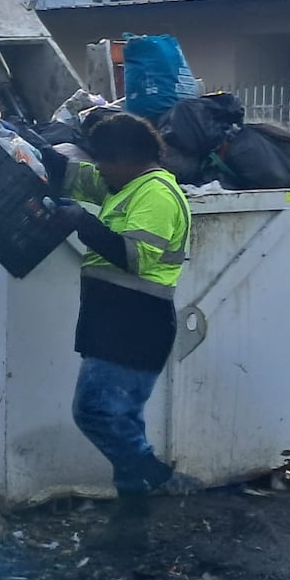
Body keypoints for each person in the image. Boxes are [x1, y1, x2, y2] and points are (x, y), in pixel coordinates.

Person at [51, 111, 194, 496]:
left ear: (126, 159)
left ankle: (155, 476)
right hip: (118, 319)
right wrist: (30, 152)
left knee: (94, 411)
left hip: (134, 322)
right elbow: (84, 180)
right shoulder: (130, 185)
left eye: (104, 160)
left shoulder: (156, 194)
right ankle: (135, 498)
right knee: (124, 416)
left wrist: (82, 221)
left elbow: (135, 257)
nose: (99, 168)